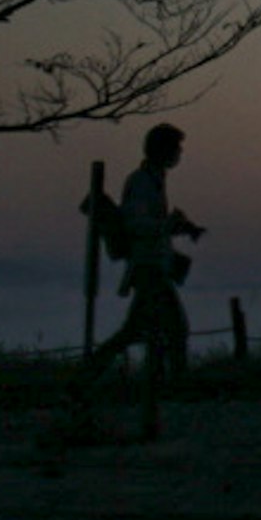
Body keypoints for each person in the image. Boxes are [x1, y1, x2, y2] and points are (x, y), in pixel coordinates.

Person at [110, 123, 204, 384]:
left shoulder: (154, 180)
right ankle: (175, 382)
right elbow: (137, 225)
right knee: (174, 329)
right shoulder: (141, 182)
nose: (179, 154)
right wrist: (169, 225)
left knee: (139, 331)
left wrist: (181, 228)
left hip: (152, 266)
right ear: (163, 150)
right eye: (176, 148)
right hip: (148, 267)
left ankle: (155, 379)